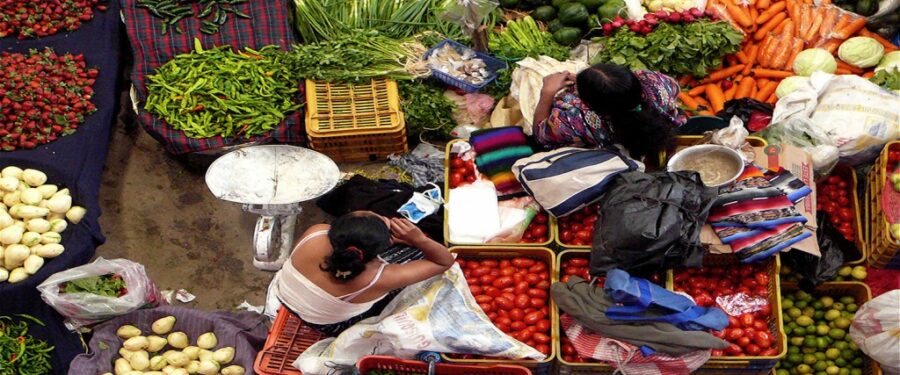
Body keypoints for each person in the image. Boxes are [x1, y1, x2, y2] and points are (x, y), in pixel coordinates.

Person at [273, 211, 454, 336]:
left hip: (286, 299)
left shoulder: (316, 232)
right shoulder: (378, 278)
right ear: (380, 249)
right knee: (416, 254)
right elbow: (444, 261)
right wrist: (419, 240)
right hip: (328, 324)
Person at [532, 63, 687, 162]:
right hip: (662, 134)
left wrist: (547, 93)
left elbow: (540, 136)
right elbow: (675, 87)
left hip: (617, 150)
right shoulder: (654, 82)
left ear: (588, 103)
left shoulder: (573, 120)